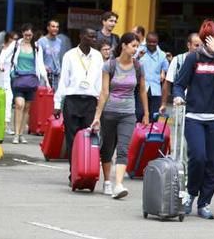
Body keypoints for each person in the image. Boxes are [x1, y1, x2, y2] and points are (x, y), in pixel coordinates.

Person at [172, 20, 214, 219]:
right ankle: (191, 193)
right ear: (210, 38)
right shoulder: (194, 57)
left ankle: (204, 203)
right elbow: (179, 84)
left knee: (212, 163)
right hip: (194, 117)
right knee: (198, 157)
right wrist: (178, 96)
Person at [90, 32, 147, 199]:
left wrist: (146, 113)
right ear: (124, 45)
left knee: (123, 148)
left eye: (137, 46)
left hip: (128, 114)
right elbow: (104, 92)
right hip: (109, 112)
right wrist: (97, 116)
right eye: (133, 46)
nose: (135, 49)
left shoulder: (138, 66)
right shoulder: (109, 65)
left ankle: (118, 184)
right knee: (107, 148)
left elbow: (142, 91)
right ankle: (107, 181)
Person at [54, 29, 103, 184]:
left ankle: (87, 171)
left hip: (90, 101)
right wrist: (57, 103)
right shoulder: (69, 55)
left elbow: (100, 81)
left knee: (90, 138)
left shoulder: (98, 56)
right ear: (81, 36)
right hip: (72, 100)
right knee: (72, 139)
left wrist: (100, 103)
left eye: (95, 37)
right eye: (90, 36)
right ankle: (73, 173)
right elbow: (63, 80)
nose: (93, 39)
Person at [3, 24, 50, 143]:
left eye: (30, 35)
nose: (28, 37)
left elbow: (40, 63)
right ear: (22, 33)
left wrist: (46, 81)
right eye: (26, 35)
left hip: (31, 80)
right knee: (19, 105)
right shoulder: (16, 44)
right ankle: (16, 135)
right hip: (18, 79)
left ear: (33, 34)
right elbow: (4, 53)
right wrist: (0, 63)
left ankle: (21, 134)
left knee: (27, 108)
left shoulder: (37, 46)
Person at [161, 33, 201, 107]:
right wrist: (163, 104)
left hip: (198, 104)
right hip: (180, 103)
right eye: (196, 45)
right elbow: (167, 83)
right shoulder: (177, 60)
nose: (199, 48)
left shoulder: (205, 61)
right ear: (188, 45)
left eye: (201, 46)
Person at [136, 31, 167, 123]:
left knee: (154, 117)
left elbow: (166, 67)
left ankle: (151, 132)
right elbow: (131, 63)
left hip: (155, 89)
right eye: (149, 42)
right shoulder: (139, 51)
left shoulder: (162, 54)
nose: (152, 44)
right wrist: (138, 57)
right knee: (139, 114)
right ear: (146, 41)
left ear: (157, 42)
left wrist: (163, 72)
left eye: (154, 42)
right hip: (141, 88)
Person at [36, 19, 72, 91]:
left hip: (56, 75)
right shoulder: (41, 41)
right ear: (48, 28)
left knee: (55, 96)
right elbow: (37, 59)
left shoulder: (59, 42)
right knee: (44, 95)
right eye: (53, 26)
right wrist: (43, 67)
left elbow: (59, 58)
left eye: (57, 27)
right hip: (45, 76)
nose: (55, 28)